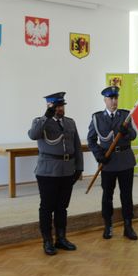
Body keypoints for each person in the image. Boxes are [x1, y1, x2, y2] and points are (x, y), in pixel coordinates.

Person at [28, 92, 83, 256]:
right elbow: (33, 135)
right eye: (57, 106)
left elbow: (77, 145)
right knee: (47, 207)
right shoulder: (40, 122)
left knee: (62, 207)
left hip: (67, 170)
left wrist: (79, 167)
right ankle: (47, 241)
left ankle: (61, 238)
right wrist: (46, 116)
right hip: (47, 172)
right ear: (49, 106)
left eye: (62, 106)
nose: (60, 109)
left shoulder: (70, 122)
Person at [87, 86, 138, 240]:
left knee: (126, 195)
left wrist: (126, 132)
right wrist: (99, 156)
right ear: (105, 100)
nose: (114, 101)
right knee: (107, 195)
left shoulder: (126, 115)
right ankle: (108, 225)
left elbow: (134, 135)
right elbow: (91, 139)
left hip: (125, 161)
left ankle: (128, 226)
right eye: (110, 98)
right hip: (108, 162)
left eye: (116, 98)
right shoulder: (97, 118)